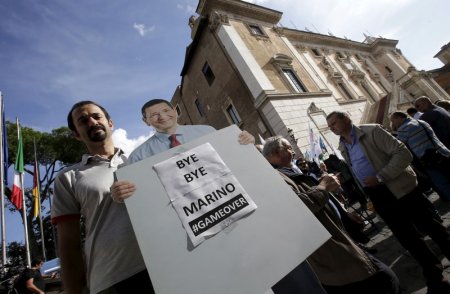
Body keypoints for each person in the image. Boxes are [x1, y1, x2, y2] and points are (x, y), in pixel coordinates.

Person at [112, 99, 327, 294]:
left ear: (175, 111)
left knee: (292, 277)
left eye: (165, 110)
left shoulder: (206, 131)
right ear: (145, 121)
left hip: (248, 218)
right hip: (204, 234)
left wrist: (245, 143)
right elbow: (143, 200)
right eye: (153, 114)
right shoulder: (138, 157)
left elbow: (236, 163)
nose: (161, 116)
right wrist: (120, 192)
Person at [327, 110, 450, 293]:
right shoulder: (342, 146)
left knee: (431, 226)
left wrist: (380, 176)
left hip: (402, 187)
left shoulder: (372, 131)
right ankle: (434, 275)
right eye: (329, 126)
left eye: (334, 123)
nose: (332, 128)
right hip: (379, 195)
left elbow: (403, 154)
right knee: (407, 237)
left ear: (346, 119)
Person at [262, 136, 400, 294]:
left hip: (341, 241)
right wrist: (324, 186)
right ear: (276, 152)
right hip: (332, 254)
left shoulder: (291, 172)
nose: (292, 150)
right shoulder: (275, 178)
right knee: (388, 282)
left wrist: (344, 214)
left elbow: (320, 203)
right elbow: (298, 209)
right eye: (287, 147)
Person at [51, 101, 153, 294]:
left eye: (97, 116)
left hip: (164, 263)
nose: (92, 121)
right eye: (83, 120)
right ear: (76, 134)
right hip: (112, 278)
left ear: (110, 123)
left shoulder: (143, 161)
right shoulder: (68, 177)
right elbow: (68, 242)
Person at [390, 111, 450, 201]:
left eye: (393, 120)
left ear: (399, 118)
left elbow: (398, 147)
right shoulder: (421, 121)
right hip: (443, 152)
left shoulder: (404, 128)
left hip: (429, 159)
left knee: (442, 184)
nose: (393, 123)